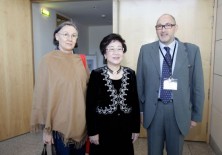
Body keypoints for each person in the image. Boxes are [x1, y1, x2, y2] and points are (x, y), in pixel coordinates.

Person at [136, 14, 205, 155]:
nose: (163, 30)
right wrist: (141, 111)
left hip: (178, 110)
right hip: (154, 110)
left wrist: (196, 115)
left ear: (175, 28)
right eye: (159, 26)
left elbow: (197, 85)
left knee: (175, 151)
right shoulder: (146, 50)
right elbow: (140, 84)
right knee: (153, 151)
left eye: (168, 25)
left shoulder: (192, 51)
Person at [30, 21, 90, 155]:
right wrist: (47, 131)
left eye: (74, 35)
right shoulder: (47, 60)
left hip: (80, 123)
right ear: (57, 37)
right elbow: (42, 96)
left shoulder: (80, 60)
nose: (70, 38)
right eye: (66, 34)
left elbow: (89, 89)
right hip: (58, 126)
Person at [86, 33, 140, 155]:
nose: (116, 52)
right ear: (105, 54)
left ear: (123, 51)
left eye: (119, 49)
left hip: (125, 129)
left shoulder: (131, 73)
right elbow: (90, 106)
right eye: (111, 49)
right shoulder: (96, 74)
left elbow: (134, 103)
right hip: (102, 130)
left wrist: (135, 128)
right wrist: (92, 132)